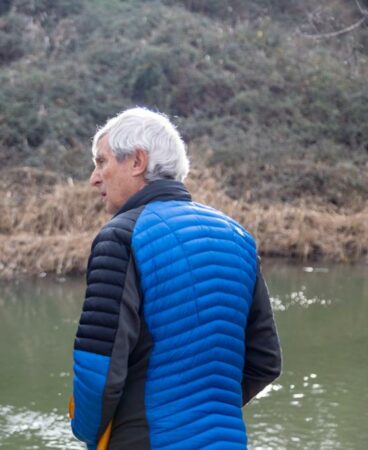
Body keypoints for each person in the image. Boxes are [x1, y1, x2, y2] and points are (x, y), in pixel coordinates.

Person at [69, 107, 282, 449]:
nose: (94, 177)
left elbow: (99, 368)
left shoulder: (121, 236)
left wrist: (86, 433)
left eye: (101, 162)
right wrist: (206, 411)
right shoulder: (237, 236)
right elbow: (265, 361)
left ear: (137, 161)